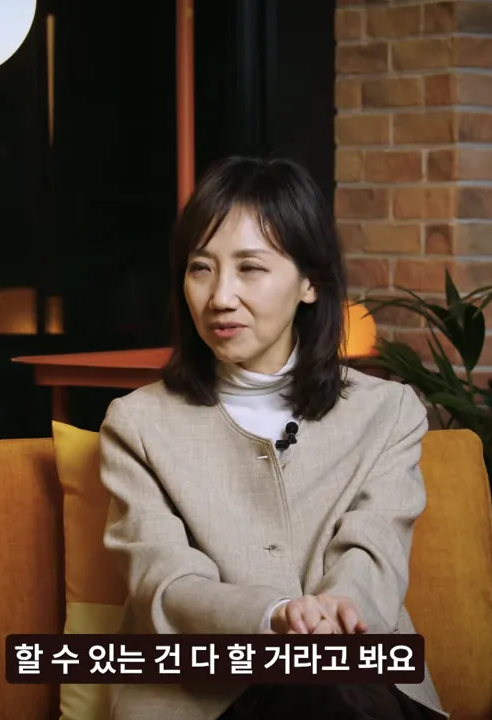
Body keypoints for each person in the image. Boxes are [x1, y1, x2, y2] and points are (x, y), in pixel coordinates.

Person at [98, 156, 447, 720]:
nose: (220, 296)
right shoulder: (138, 424)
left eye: (250, 268)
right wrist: (275, 617)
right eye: (201, 268)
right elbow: (165, 581)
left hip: (357, 679)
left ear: (310, 282)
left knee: (329, 689)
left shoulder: (387, 412)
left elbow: (373, 551)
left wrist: (331, 618)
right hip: (211, 698)